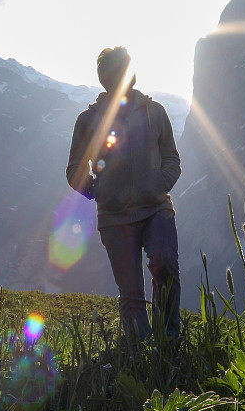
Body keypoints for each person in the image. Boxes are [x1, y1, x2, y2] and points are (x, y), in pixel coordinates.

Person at [65, 46, 182, 341]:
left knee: (165, 266)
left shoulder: (155, 112)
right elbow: (74, 169)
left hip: (156, 207)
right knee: (130, 293)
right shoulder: (88, 121)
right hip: (115, 216)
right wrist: (98, 192)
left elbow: (172, 159)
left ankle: (168, 342)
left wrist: (159, 184)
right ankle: (139, 355)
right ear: (103, 78)